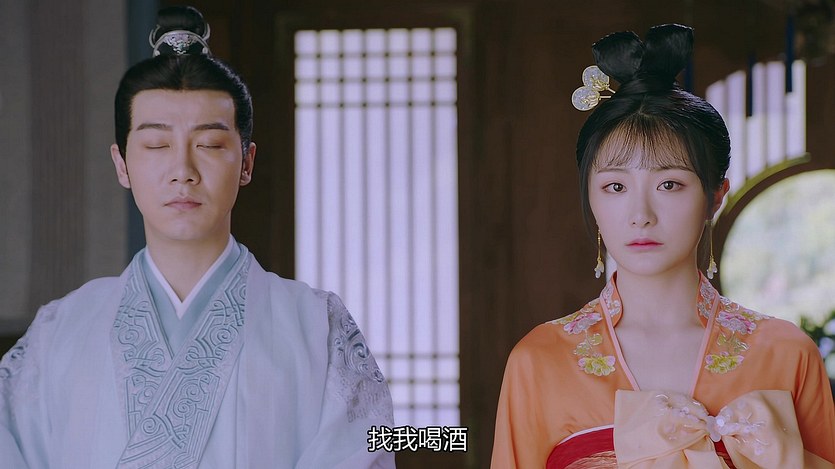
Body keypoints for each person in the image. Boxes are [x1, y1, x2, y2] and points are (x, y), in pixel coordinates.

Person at [0, 6, 394, 468]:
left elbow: (366, 448)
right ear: (121, 164)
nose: (182, 171)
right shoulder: (59, 331)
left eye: (209, 145)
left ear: (246, 162)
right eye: (156, 145)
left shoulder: (317, 327)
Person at [491, 24, 835, 468]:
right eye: (615, 187)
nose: (641, 214)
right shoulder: (539, 359)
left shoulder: (787, 354)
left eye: (669, 184)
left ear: (715, 196)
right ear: (590, 198)